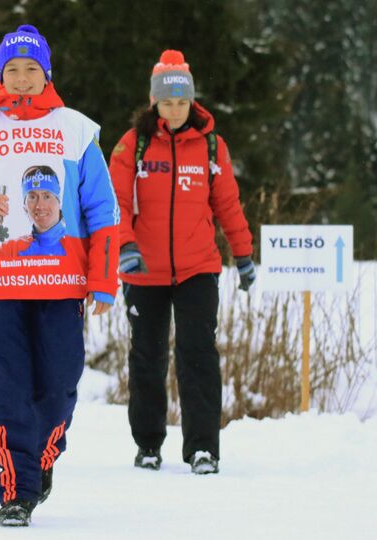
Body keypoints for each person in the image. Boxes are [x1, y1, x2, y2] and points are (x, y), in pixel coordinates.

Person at [0, 24, 120, 526]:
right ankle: (15, 489)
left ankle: (40, 464)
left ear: (47, 74)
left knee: (59, 385)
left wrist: (104, 279)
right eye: (12, 70)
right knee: (7, 389)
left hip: (63, 286)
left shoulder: (77, 129)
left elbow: (102, 211)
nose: (22, 79)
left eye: (32, 70)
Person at [108, 50, 257, 475]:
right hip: (144, 269)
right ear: (153, 101)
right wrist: (125, 246)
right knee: (147, 358)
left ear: (191, 101)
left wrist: (243, 254)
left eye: (181, 101)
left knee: (198, 356)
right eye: (167, 101)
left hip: (198, 268)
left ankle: (202, 448)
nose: (174, 109)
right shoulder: (131, 145)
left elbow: (227, 204)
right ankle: (149, 444)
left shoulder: (210, 145)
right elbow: (115, 203)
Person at [0, 165, 67, 257]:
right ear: (25, 207)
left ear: (59, 202)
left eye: (47, 196)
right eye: (32, 197)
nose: (40, 205)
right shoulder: (11, 250)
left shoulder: (76, 246)